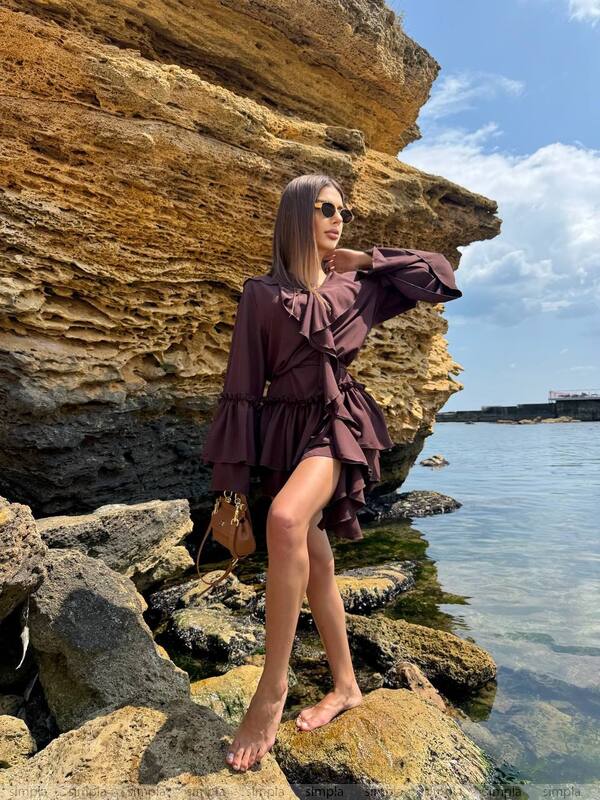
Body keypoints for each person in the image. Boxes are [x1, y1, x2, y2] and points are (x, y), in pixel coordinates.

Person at [200, 173, 463, 772]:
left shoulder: (361, 285)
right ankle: (346, 685)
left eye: (343, 210)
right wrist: (232, 487)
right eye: (325, 209)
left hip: (335, 423)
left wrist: (367, 257)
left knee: (289, 520)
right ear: (296, 215)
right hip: (282, 433)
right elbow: (241, 388)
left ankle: (271, 689)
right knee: (315, 561)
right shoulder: (260, 294)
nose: (338, 218)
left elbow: (440, 277)